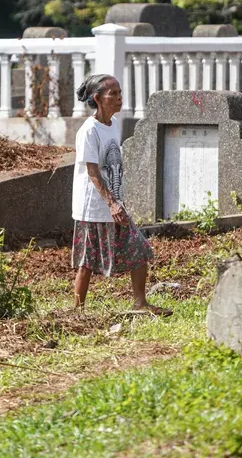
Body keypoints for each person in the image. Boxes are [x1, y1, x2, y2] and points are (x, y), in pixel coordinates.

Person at [71, 73, 169, 315]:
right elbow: (93, 172)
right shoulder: (88, 131)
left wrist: (118, 202)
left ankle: (140, 303)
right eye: (112, 94)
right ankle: (77, 312)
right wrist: (112, 203)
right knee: (87, 262)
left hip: (114, 204)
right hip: (93, 207)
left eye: (119, 93)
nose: (118, 98)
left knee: (139, 248)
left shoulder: (113, 125)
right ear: (98, 98)